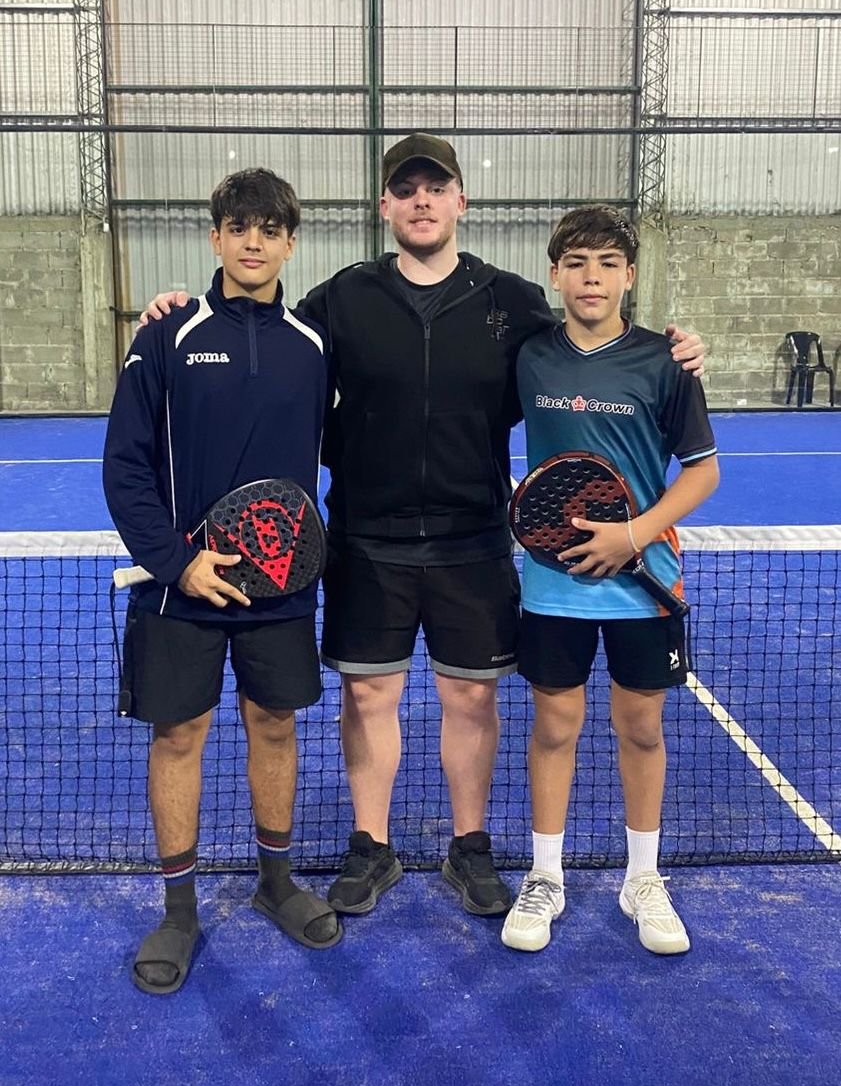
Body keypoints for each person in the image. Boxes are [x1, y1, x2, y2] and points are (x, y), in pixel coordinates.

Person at [139, 135, 707, 922]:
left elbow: (588, 342)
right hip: (366, 538)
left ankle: (468, 845)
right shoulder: (341, 299)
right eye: (404, 189)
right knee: (369, 695)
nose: (420, 201)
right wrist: (176, 309)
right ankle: (370, 845)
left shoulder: (513, 303)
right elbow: (260, 340)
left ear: (459, 202)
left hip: (472, 538)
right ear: (385, 206)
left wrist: (677, 346)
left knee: (470, 699)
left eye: (434, 188)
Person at [103, 168, 341, 996]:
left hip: (280, 585)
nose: (252, 242)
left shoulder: (313, 345)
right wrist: (180, 562)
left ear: (290, 243)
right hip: (180, 589)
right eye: (238, 227)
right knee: (178, 736)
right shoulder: (165, 336)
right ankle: (178, 911)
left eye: (269, 229)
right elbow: (125, 465)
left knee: (274, 723)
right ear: (214, 238)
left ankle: (276, 882)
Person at [501, 205, 719, 956]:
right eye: (576, 263)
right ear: (554, 275)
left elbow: (702, 472)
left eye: (606, 264)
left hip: (643, 580)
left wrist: (632, 534)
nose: (590, 277)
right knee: (553, 727)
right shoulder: (530, 355)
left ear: (629, 275)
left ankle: (642, 878)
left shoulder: (665, 360)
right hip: (552, 582)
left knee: (641, 727)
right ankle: (545, 875)